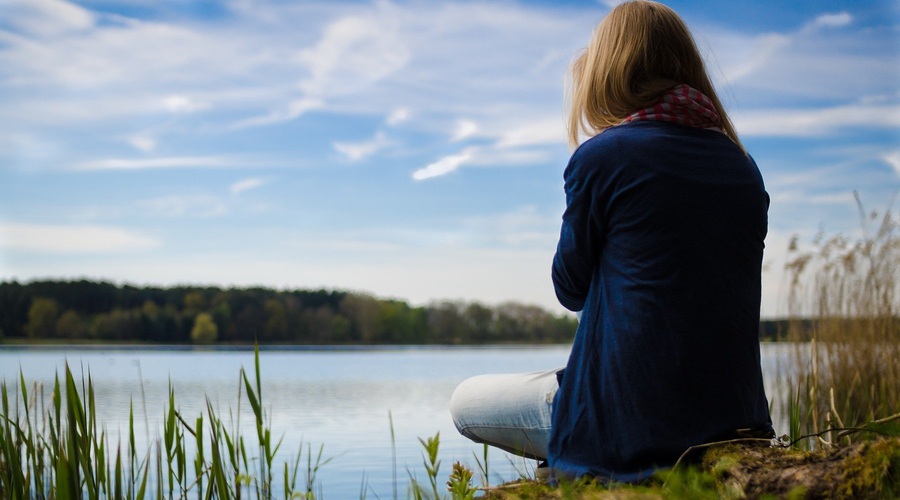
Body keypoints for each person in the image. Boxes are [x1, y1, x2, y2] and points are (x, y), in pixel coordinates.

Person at [450, 0, 774, 483]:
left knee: (466, 401)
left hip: (630, 424)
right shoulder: (742, 166)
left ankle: (570, 464)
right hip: (732, 418)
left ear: (610, 72)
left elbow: (570, 287)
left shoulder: (604, 155)